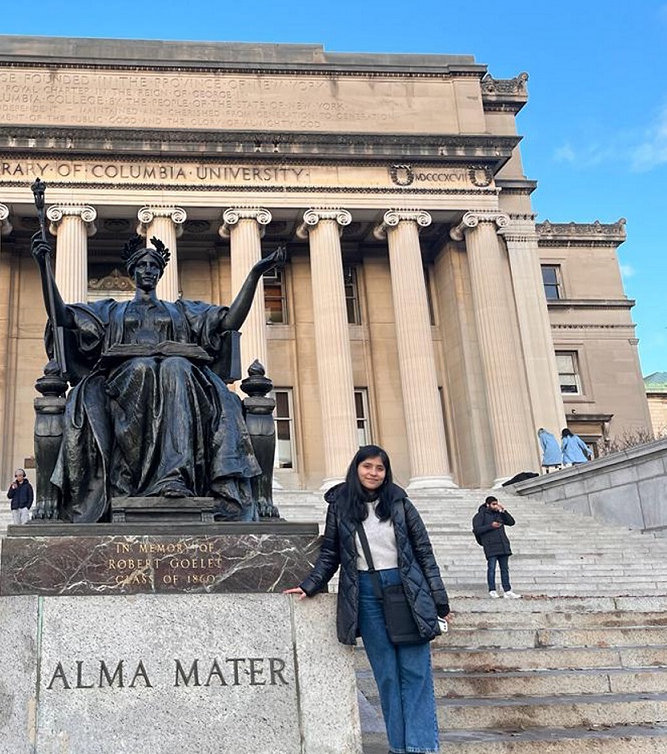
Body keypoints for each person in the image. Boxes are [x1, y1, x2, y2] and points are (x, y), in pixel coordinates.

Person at [32, 231, 285, 522]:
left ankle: (174, 476)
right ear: (132, 271)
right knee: (143, 368)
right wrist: (44, 267)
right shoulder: (111, 310)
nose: (148, 271)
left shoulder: (181, 311)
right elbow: (63, 318)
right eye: (142, 265)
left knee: (175, 367)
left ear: (161, 273)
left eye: (154, 266)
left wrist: (254, 275)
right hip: (123, 380)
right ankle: (134, 479)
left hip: (180, 378)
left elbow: (228, 322)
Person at [285, 445, 451, 754]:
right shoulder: (340, 506)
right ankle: (399, 747)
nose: (373, 473)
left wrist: (440, 602)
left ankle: (422, 747)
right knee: (387, 676)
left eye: (380, 468)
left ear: (386, 472)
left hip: (407, 590)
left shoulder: (401, 504)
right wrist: (310, 585)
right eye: (368, 466)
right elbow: (331, 553)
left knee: (416, 673)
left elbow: (424, 553)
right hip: (365, 593)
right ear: (356, 468)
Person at [472, 495, 520, 599]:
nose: (495, 506)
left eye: (496, 504)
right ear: (487, 504)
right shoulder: (480, 516)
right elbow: (476, 530)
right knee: (492, 568)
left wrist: (503, 511)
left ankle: (507, 590)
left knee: (504, 569)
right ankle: (492, 590)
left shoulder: (499, 514)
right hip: (490, 546)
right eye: (493, 504)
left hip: (502, 545)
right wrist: (491, 526)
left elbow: (511, 522)